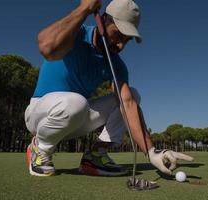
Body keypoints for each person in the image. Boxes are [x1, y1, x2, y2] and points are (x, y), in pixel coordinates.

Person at [25, 0, 193, 177]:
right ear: (103, 20)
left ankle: (96, 156)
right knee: (77, 103)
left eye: (126, 40)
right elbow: (46, 47)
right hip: (39, 114)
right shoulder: (76, 34)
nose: (121, 46)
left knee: (131, 96)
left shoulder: (116, 64)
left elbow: (128, 105)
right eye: (118, 35)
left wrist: (151, 152)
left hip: (75, 117)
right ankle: (40, 148)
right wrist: (84, 9)